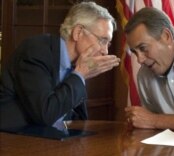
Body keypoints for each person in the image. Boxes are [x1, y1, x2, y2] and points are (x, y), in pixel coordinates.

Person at [0, 2, 120, 130]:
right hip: (14, 140)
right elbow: (45, 114)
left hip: (50, 139)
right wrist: (80, 75)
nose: (105, 51)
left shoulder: (77, 64)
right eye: (102, 40)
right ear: (78, 32)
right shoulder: (36, 51)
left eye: (108, 43)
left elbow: (79, 120)